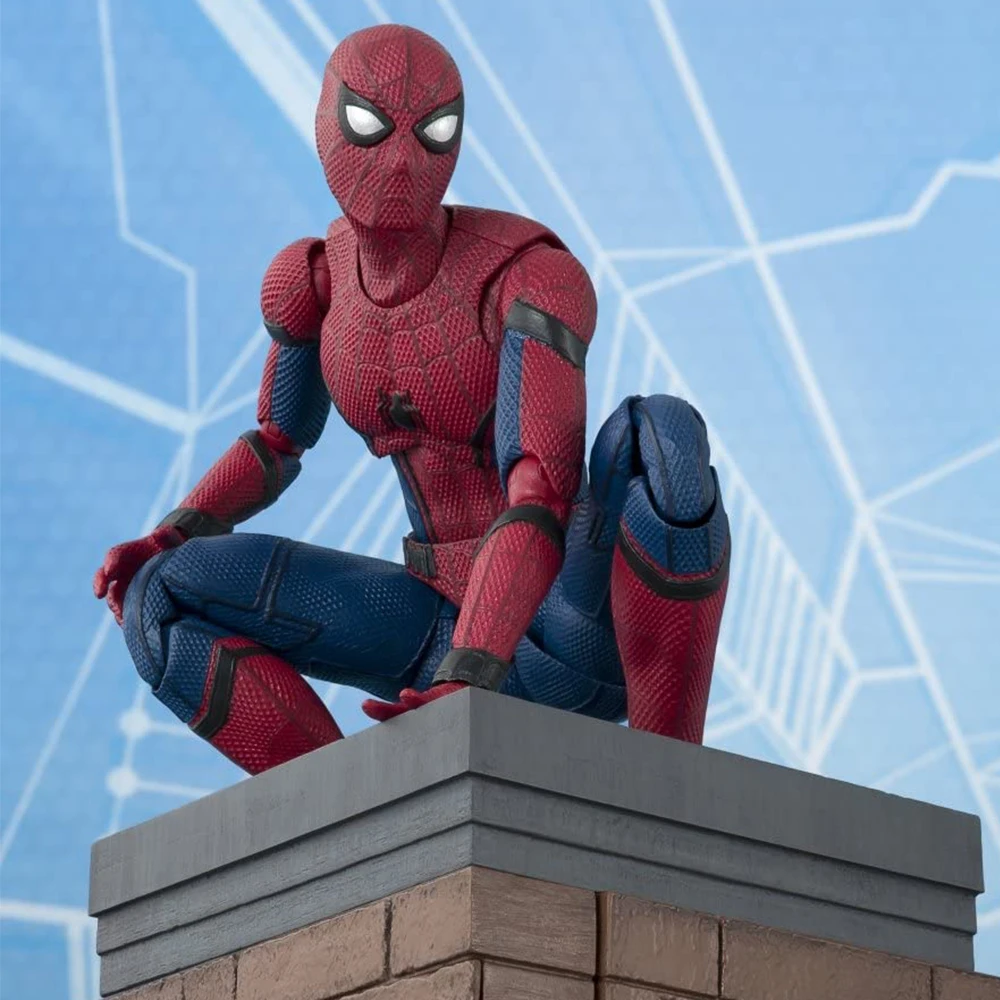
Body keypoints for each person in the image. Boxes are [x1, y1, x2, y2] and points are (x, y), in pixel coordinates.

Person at [94, 24, 730, 775]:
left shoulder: (524, 274)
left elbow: (542, 492)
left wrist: (474, 670)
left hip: (570, 620)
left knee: (662, 440)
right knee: (160, 598)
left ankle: (672, 782)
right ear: (327, 122)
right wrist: (169, 534)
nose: (400, 162)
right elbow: (276, 442)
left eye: (432, 133)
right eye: (370, 126)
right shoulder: (313, 281)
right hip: (429, 622)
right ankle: (350, 816)